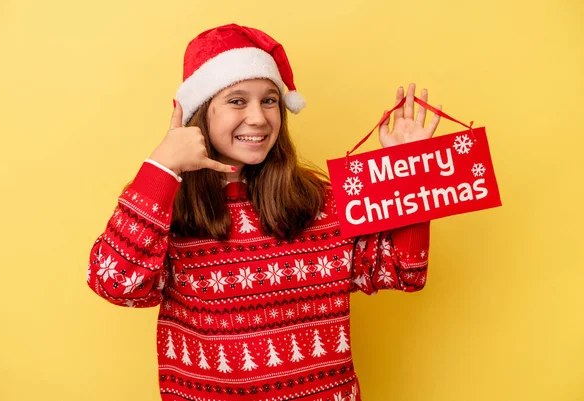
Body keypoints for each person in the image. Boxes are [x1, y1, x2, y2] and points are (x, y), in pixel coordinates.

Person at [87, 23, 441, 401]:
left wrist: (410, 172)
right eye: (237, 101)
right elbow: (116, 284)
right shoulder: (163, 209)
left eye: (269, 100)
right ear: (200, 113)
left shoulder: (323, 203)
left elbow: (403, 271)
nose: (258, 117)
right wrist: (162, 166)